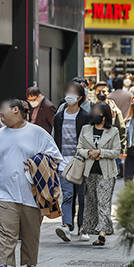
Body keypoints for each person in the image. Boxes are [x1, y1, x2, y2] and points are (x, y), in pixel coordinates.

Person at [0, 99, 62, 267]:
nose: (0, 115)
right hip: (3, 193)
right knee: (5, 233)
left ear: (16, 110)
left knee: (31, 233)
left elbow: (55, 158)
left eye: (3, 111)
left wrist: (38, 162)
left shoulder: (37, 133)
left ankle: (30, 266)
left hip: (33, 195)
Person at [77, 102, 120, 246]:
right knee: (92, 202)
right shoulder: (86, 129)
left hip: (107, 173)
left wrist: (100, 152)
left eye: (99, 114)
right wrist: (89, 153)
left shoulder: (113, 131)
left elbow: (116, 152)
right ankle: (95, 230)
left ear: (105, 116)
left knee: (103, 202)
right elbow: (79, 148)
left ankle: (102, 233)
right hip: (89, 171)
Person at [52, 82, 90, 243]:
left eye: (73, 93)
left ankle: (83, 227)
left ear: (80, 97)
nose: (70, 95)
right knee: (67, 195)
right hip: (63, 161)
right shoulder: (59, 116)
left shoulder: (86, 116)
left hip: (81, 161)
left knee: (83, 197)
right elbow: (55, 138)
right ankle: (66, 225)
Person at [93, 82, 127, 154]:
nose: (101, 93)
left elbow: (121, 129)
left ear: (108, 93)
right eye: (99, 91)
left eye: (104, 91)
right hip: (94, 147)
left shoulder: (115, 111)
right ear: (95, 93)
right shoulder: (90, 109)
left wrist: (122, 149)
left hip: (111, 148)